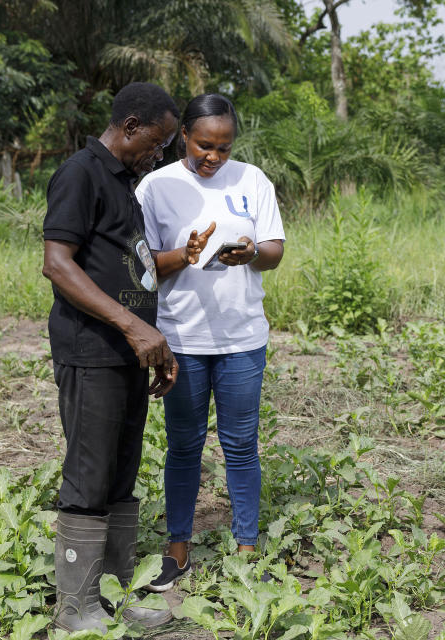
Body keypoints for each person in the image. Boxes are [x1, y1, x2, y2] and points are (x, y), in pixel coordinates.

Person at [42, 82, 180, 632]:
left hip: (127, 353)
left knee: (121, 475)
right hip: (91, 350)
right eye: (157, 141)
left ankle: (113, 601)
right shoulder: (81, 172)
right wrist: (131, 326)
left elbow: (134, 269)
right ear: (129, 126)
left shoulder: (127, 183)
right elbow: (58, 263)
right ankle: (75, 608)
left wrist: (155, 340)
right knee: (89, 475)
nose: (160, 152)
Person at [134, 93, 285, 592]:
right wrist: (185, 253)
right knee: (184, 446)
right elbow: (142, 266)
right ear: (184, 135)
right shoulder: (156, 186)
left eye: (223, 148)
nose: (213, 157)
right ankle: (177, 548)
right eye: (204, 145)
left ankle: (246, 549)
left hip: (242, 337)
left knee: (241, 445)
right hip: (182, 337)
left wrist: (251, 253)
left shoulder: (253, 179)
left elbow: (275, 251)